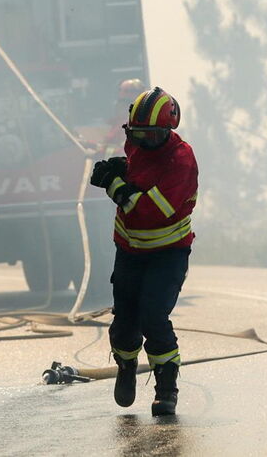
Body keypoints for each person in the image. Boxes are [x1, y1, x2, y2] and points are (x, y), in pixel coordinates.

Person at [89, 86, 199, 416]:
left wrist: (116, 185)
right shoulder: (136, 143)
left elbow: (152, 210)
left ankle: (166, 389)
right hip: (129, 251)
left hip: (168, 254)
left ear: (167, 132)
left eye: (151, 136)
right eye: (137, 134)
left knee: (153, 316)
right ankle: (125, 367)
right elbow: (139, 169)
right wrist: (120, 168)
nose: (143, 142)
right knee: (124, 324)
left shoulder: (181, 161)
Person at [100, 78, 147, 158]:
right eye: (120, 90)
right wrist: (90, 144)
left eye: (125, 91)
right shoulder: (119, 122)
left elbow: (129, 150)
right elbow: (109, 143)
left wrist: (100, 153)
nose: (121, 94)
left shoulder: (140, 122)